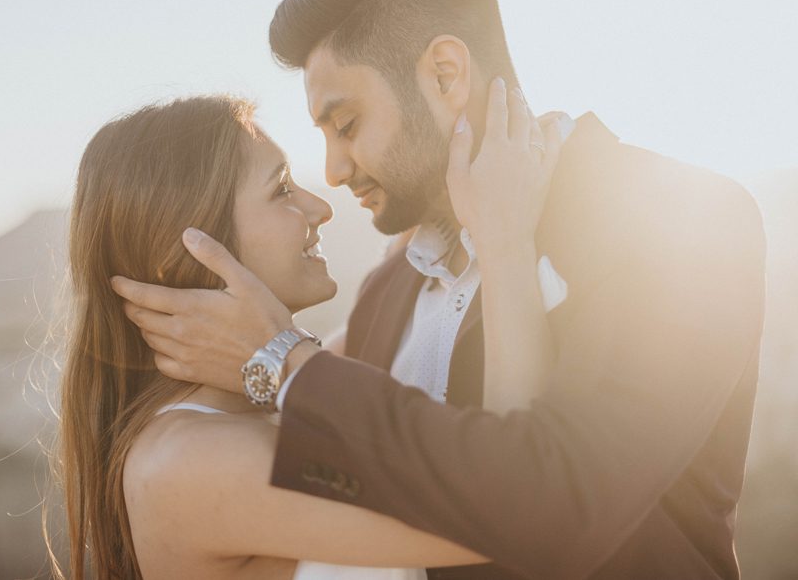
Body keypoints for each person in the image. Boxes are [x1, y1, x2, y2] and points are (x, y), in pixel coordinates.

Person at [111, 0, 767, 580]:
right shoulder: (385, 292)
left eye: (346, 125)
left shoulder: (685, 226)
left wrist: (284, 360)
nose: (334, 172)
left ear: (445, 74)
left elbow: (559, 507)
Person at [54, 93, 559, 579]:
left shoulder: (255, 405)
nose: (321, 208)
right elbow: (520, 510)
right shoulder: (191, 462)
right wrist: (503, 239)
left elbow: (342, 359)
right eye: (282, 189)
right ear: (189, 253)